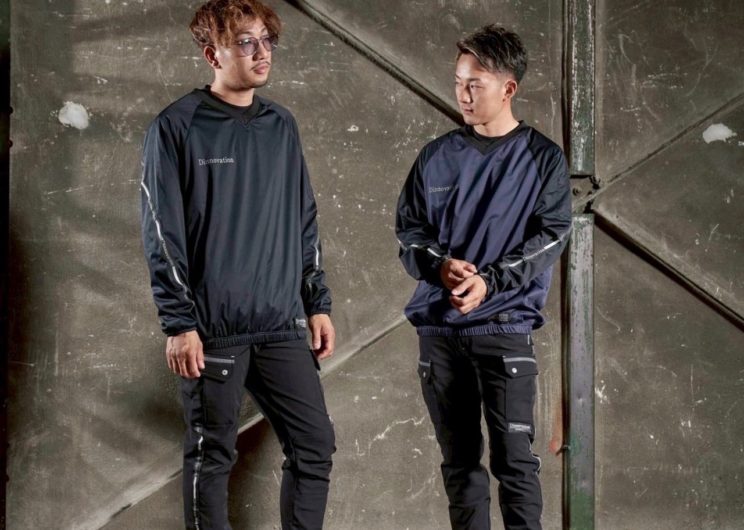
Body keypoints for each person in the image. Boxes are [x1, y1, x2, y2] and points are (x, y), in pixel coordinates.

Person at [140, 1, 336, 528]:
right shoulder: (177, 126)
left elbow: (304, 217)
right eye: (246, 42)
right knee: (212, 456)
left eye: (267, 40)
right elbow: (162, 232)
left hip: (280, 323)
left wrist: (316, 302)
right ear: (213, 55)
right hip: (213, 330)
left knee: (315, 444)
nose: (261, 52)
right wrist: (179, 323)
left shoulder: (281, 125)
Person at [395, 25, 572, 530]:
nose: (463, 94)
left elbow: (553, 236)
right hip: (440, 335)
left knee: (515, 465)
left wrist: (490, 281)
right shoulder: (435, 157)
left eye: (475, 84)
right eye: (458, 82)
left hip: (505, 333)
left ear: (508, 88)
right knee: (460, 468)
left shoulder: (542, 159)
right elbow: (410, 233)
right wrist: (439, 266)